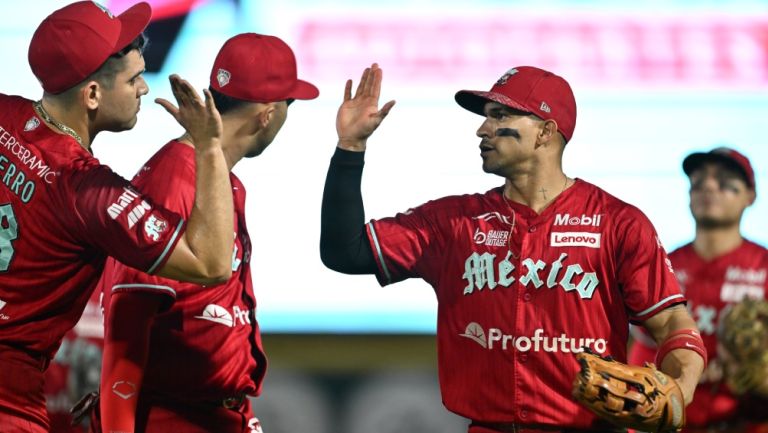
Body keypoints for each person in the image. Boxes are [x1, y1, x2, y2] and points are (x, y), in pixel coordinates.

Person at [320, 64, 706, 432]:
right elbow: (345, 251)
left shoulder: (617, 223)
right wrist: (350, 148)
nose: (482, 130)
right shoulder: (452, 223)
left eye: (501, 116)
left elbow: (674, 324)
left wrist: (679, 391)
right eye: (487, 116)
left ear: (545, 132)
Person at [0, 2, 235, 431]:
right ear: (92, 94)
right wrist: (209, 148)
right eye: (135, 79)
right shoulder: (88, 191)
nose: (144, 89)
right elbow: (212, 262)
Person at [95, 33, 318, 433]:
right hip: (172, 417)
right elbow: (128, 321)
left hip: (217, 415)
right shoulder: (174, 179)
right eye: (290, 104)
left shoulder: (220, 181)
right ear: (267, 114)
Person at [629, 147, 768, 433]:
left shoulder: (763, 266)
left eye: (726, 182)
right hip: (664, 422)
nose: (709, 187)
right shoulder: (659, 264)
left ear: (750, 197)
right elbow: (632, 346)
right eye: (699, 181)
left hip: (745, 423)